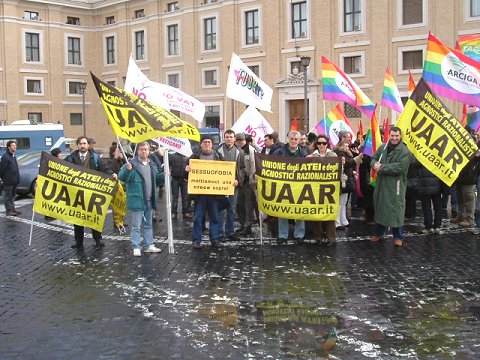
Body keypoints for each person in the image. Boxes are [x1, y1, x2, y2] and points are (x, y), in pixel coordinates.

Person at [65, 136, 116, 249]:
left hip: (92, 193)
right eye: (80, 144)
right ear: (77, 145)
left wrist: (111, 173)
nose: (82, 146)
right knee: (78, 218)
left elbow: (104, 168)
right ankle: (78, 241)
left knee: (94, 217)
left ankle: (98, 239)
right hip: (77, 193)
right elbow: (60, 167)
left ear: (88, 145)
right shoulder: (70, 158)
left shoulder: (95, 158)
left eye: (84, 143)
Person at [118, 142, 164, 256]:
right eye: (142, 149)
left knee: (148, 224)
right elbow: (122, 178)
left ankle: (149, 245)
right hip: (138, 199)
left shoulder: (152, 164)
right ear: (138, 151)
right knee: (136, 226)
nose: (144, 151)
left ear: (149, 151)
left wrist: (164, 174)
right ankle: (136, 246)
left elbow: (157, 180)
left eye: (146, 149)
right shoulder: (131, 164)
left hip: (149, 199)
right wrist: (127, 170)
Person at [370, 127, 411, 247]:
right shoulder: (383, 148)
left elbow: (399, 168)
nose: (394, 138)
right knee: (381, 208)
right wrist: (374, 165)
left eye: (396, 136)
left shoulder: (404, 151)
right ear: (389, 135)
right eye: (392, 135)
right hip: (382, 184)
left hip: (395, 186)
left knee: (395, 210)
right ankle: (378, 233)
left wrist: (381, 168)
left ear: (400, 136)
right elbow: (373, 158)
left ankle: (398, 236)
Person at [186, 137, 225, 249]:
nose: (207, 144)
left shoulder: (218, 157)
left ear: (212, 144)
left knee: (214, 217)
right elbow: (185, 176)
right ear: (201, 144)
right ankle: (196, 240)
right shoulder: (194, 157)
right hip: (199, 194)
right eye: (205, 142)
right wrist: (186, 170)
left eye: (209, 142)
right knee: (198, 218)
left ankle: (215, 239)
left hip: (214, 194)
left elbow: (227, 172)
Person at [273, 131, 308, 244]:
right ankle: (283, 235)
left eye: (295, 139)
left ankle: (299, 234)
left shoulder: (304, 153)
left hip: (299, 186)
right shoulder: (279, 152)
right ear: (288, 139)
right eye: (291, 139)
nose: (293, 141)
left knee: (299, 210)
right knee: (283, 210)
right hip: (283, 185)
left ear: (298, 141)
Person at [307, 134, 338, 246]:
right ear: (316, 144)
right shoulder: (311, 156)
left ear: (327, 144)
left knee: (329, 213)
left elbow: (338, 170)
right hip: (315, 188)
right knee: (316, 213)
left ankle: (331, 238)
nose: (321, 145)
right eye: (319, 143)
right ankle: (318, 237)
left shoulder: (333, 155)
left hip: (330, 188)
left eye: (323, 143)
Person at [216, 129, 245, 242]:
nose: (229, 139)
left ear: (234, 139)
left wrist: (239, 179)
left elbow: (242, 168)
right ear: (224, 138)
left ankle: (230, 232)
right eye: (227, 137)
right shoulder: (217, 151)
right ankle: (220, 233)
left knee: (232, 209)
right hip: (220, 185)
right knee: (221, 210)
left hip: (234, 185)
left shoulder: (240, 152)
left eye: (231, 137)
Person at [333, 131, 363, 229]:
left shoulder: (347, 149)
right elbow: (344, 164)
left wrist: (352, 172)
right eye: (346, 137)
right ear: (341, 138)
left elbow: (347, 166)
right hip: (341, 179)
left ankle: (343, 220)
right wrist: (356, 159)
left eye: (349, 137)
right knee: (339, 202)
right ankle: (337, 222)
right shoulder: (339, 150)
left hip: (346, 178)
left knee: (343, 201)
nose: (348, 139)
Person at [234, 133, 256, 236]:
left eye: (241, 141)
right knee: (239, 205)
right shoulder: (237, 150)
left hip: (247, 182)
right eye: (238, 141)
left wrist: (252, 182)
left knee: (248, 206)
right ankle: (243, 224)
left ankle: (247, 227)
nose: (239, 143)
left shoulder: (250, 150)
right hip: (239, 182)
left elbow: (253, 166)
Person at [416, 157, 444, 235]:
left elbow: (415, 165)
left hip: (425, 185)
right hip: (437, 185)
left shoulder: (422, 154)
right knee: (438, 206)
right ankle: (437, 226)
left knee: (426, 207)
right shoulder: (439, 153)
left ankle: (429, 227)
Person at [169, 151, 192, 220]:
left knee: (185, 197)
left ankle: (185, 212)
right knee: (175, 197)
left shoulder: (188, 156)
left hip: (184, 179)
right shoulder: (172, 156)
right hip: (175, 178)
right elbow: (166, 165)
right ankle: (174, 213)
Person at [0, 140, 20, 216]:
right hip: (8, 181)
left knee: (12, 195)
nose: (15, 147)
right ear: (9, 147)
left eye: (15, 145)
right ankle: (8, 211)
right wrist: (3, 178)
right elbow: (1, 169)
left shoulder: (13, 156)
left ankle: (13, 208)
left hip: (14, 180)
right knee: (7, 196)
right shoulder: (5, 157)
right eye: (13, 145)